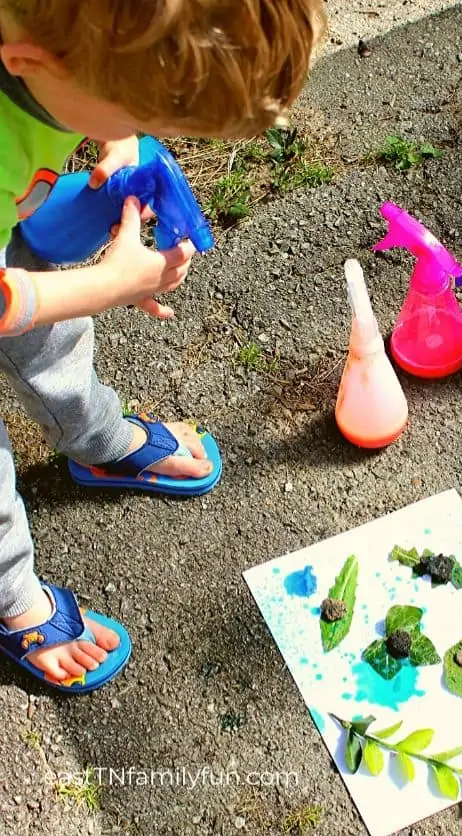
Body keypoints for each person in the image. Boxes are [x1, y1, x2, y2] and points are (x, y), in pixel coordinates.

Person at [0, 0, 324, 693]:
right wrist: (110, 283)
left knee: (51, 320)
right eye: (134, 114)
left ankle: (98, 440)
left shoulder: (46, 45)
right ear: (31, 64)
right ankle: (12, 599)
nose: (143, 135)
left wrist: (111, 135)